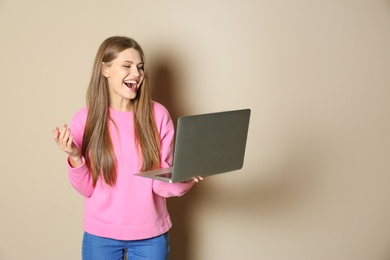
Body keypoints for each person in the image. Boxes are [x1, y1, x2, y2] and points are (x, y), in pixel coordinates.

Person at [52, 36, 203, 260]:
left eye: (140, 67)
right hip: (100, 236)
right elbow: (86, 189)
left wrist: (184, 178)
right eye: (127, 66)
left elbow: (160, 185)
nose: (137, 74)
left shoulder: (158, 115)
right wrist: (75, 156)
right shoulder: (85, 119)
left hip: (151, 236)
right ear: (105, 70)